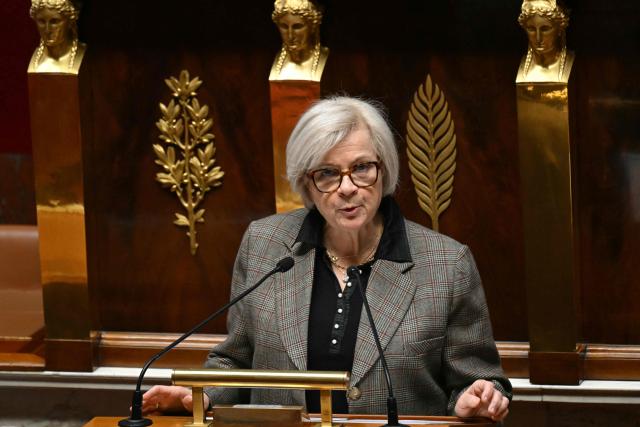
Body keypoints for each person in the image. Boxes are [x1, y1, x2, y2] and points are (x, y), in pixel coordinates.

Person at [142, 96, 512, 421]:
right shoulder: (266, 245)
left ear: (383, 171)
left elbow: (477, 382)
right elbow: (237, 362)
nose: (347, 187)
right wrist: (201, 396)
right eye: (328, 173)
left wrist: (475, 399)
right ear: (307, 183)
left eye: (362, 168)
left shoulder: (446, 263)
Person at [269, 0, 329, 82]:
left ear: (313, 27)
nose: (290, 36)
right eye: (284, 26)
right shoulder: (274, 62)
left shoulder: (326, 58)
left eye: (297, 27)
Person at [516, 0, 573, 83]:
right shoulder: (521, 67)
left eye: (545, 29)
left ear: (560, 29)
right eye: (531, 29)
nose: (538, 38)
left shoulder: (572, 62)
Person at [28, 0, 87, 74]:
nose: (47, 30)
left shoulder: (82, 54)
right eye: (41, 21)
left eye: (54, 21)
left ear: (70, 21)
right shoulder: (36, 61)